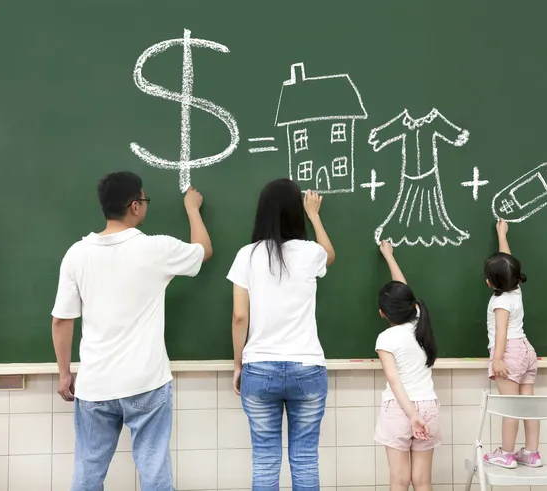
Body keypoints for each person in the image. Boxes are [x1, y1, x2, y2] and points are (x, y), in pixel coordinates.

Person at [51, 171, 212, 491]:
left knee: (88, 471)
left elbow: (61, 320)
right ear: (135, 205)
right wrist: (193, 209)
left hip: (95, 384)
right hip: (146, 382)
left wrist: (64, 373)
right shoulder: (155, 249)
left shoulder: (76, 254)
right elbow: (203, 250)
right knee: (153, 471)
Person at [227, 179, 335, 491]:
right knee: (304, 458)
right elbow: (330, 253)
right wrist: (315, 216)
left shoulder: (246, 255)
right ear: (295, 214)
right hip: (307, 368)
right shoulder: (310, 253)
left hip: (259, 367)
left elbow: (239, 316)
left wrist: (238, 365)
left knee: (264, 458)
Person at [374, 240, 440, 491]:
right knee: (423, 481)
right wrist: (390, 256)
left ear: (382, 313)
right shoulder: (420, 322)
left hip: (400, 409)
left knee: (399, 480)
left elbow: (394, 380)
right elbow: (404, 289)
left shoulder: (386, 339)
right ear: (413, 306)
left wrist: (411, 415)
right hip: (428, 406)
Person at [483, 219, 542, 469]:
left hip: (510, 351)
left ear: (492, 282)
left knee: (510, 406)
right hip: (527, 351)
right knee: (526, 404)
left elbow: (501, 332)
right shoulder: (515, 289)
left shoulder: (500, 303)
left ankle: (506, 454)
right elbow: (508, 262)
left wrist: (497, 359)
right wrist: (502, 233)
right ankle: (531, 453)